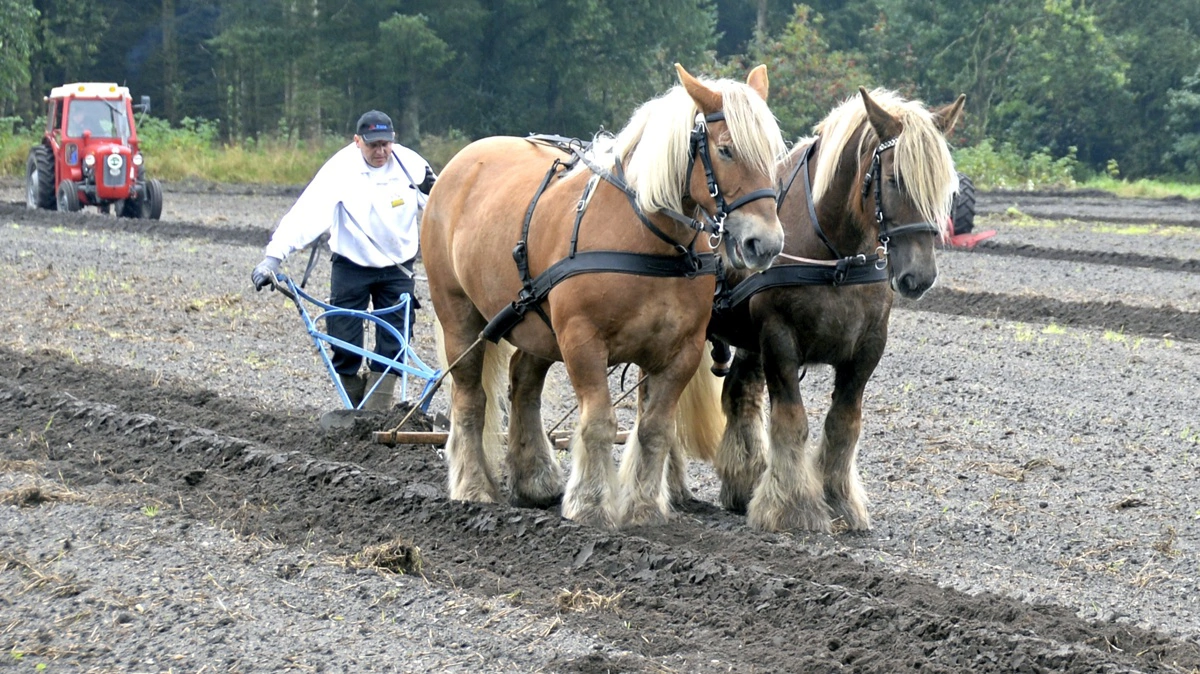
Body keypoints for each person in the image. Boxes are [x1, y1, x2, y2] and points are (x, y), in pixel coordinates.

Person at [251, 110, 436, 411]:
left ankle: (376, 412)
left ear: (394, 140)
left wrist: (439, 194)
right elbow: (306, 213)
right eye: (372, 145)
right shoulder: (340, 169)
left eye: (385, 145)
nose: (380, 152)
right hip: (351, 267)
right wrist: (273, 258)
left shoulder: (412, 166)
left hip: (398, 269)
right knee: (344, 341)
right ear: (357, 141)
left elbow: (443, 206)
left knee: (395, 341)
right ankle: (358, 406)